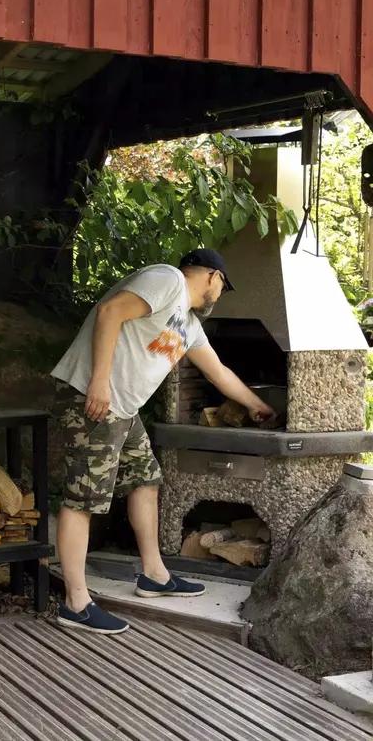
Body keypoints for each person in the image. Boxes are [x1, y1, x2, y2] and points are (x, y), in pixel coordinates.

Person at [49, 249, 274, 634]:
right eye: (222, 288)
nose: (219, 298)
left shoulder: (186, 322)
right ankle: (77, 602)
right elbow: (110, 312)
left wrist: (258, 406)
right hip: (95, 398)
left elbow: (218, 372)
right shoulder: (167, 280)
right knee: (83, 498)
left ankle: (154, 574)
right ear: (213, 277)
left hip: (123, 409)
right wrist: (99, 381)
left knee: (145, 479)